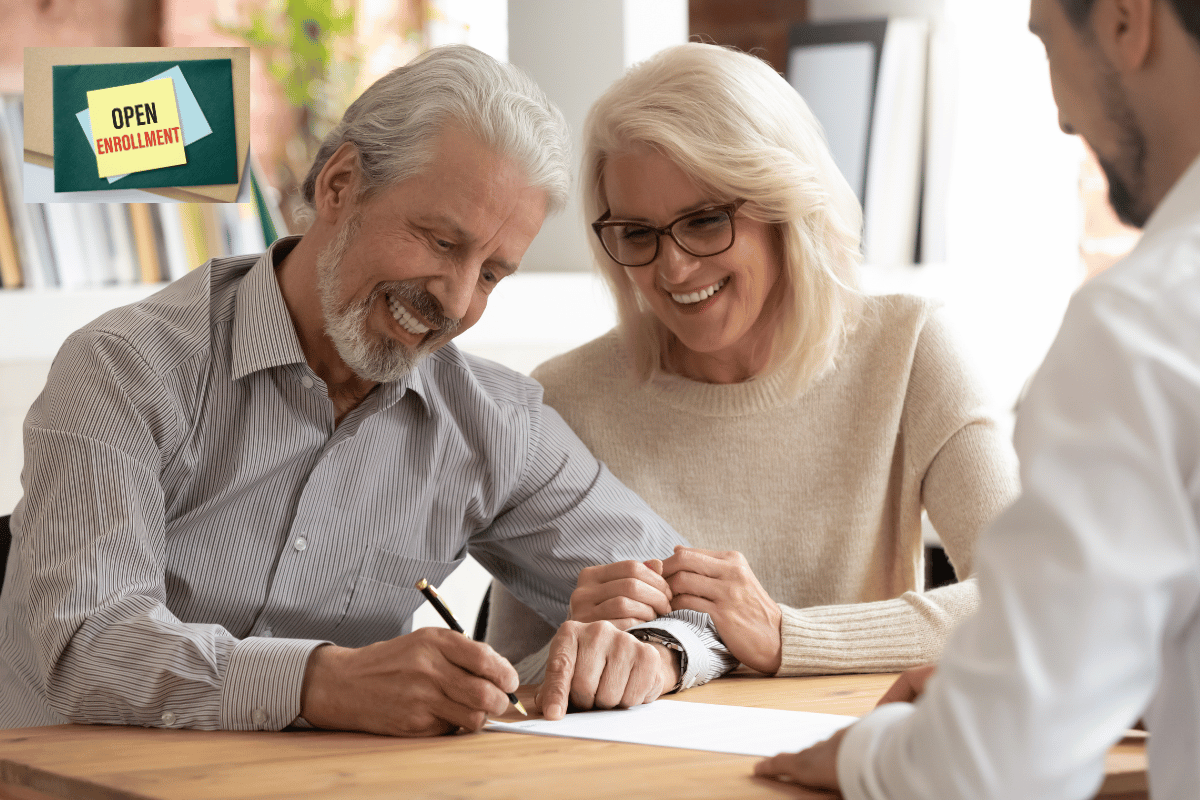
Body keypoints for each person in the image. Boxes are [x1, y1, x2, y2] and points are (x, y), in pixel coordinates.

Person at [0, 44, 736, 736]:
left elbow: (696, 604)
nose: (454, 300)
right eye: (442, 242)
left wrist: (655, 649)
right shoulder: (122, 368)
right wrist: (324, 682)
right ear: (339, 185)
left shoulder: (494, 423)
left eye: (490, 273)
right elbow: (89, 649)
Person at [755, 0, 1200, 796]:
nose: (1063, 117)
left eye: (1046, 42)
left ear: (1129, 23)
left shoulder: (1141, 328)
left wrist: (876, 749)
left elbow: (995, 770)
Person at [485, 42, 1020, 678]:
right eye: (637, 234)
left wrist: (788, 636)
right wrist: (574, 644)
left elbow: (1029, 594)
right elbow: (508, 685)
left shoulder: (910, 350)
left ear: (785, 207)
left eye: (706, 221)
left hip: (844, 762)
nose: (674, 267)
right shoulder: (565, 398)